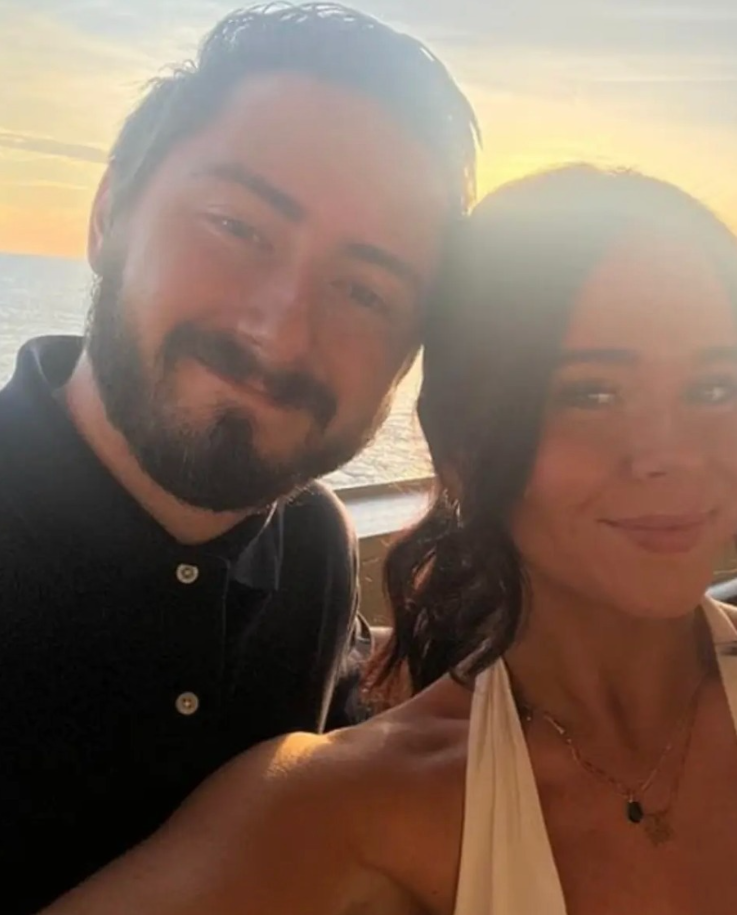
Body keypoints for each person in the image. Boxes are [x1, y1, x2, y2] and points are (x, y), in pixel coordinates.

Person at [39, 167, 737, 915]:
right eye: (592, 394)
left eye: (718, 386)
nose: (671, 455)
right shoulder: (344, 807)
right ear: (458, 441)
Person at [0, 3, 478, 911]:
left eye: (364, 289)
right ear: (110, 218)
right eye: (237, 226)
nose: (280, 328)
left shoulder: (311, 546)